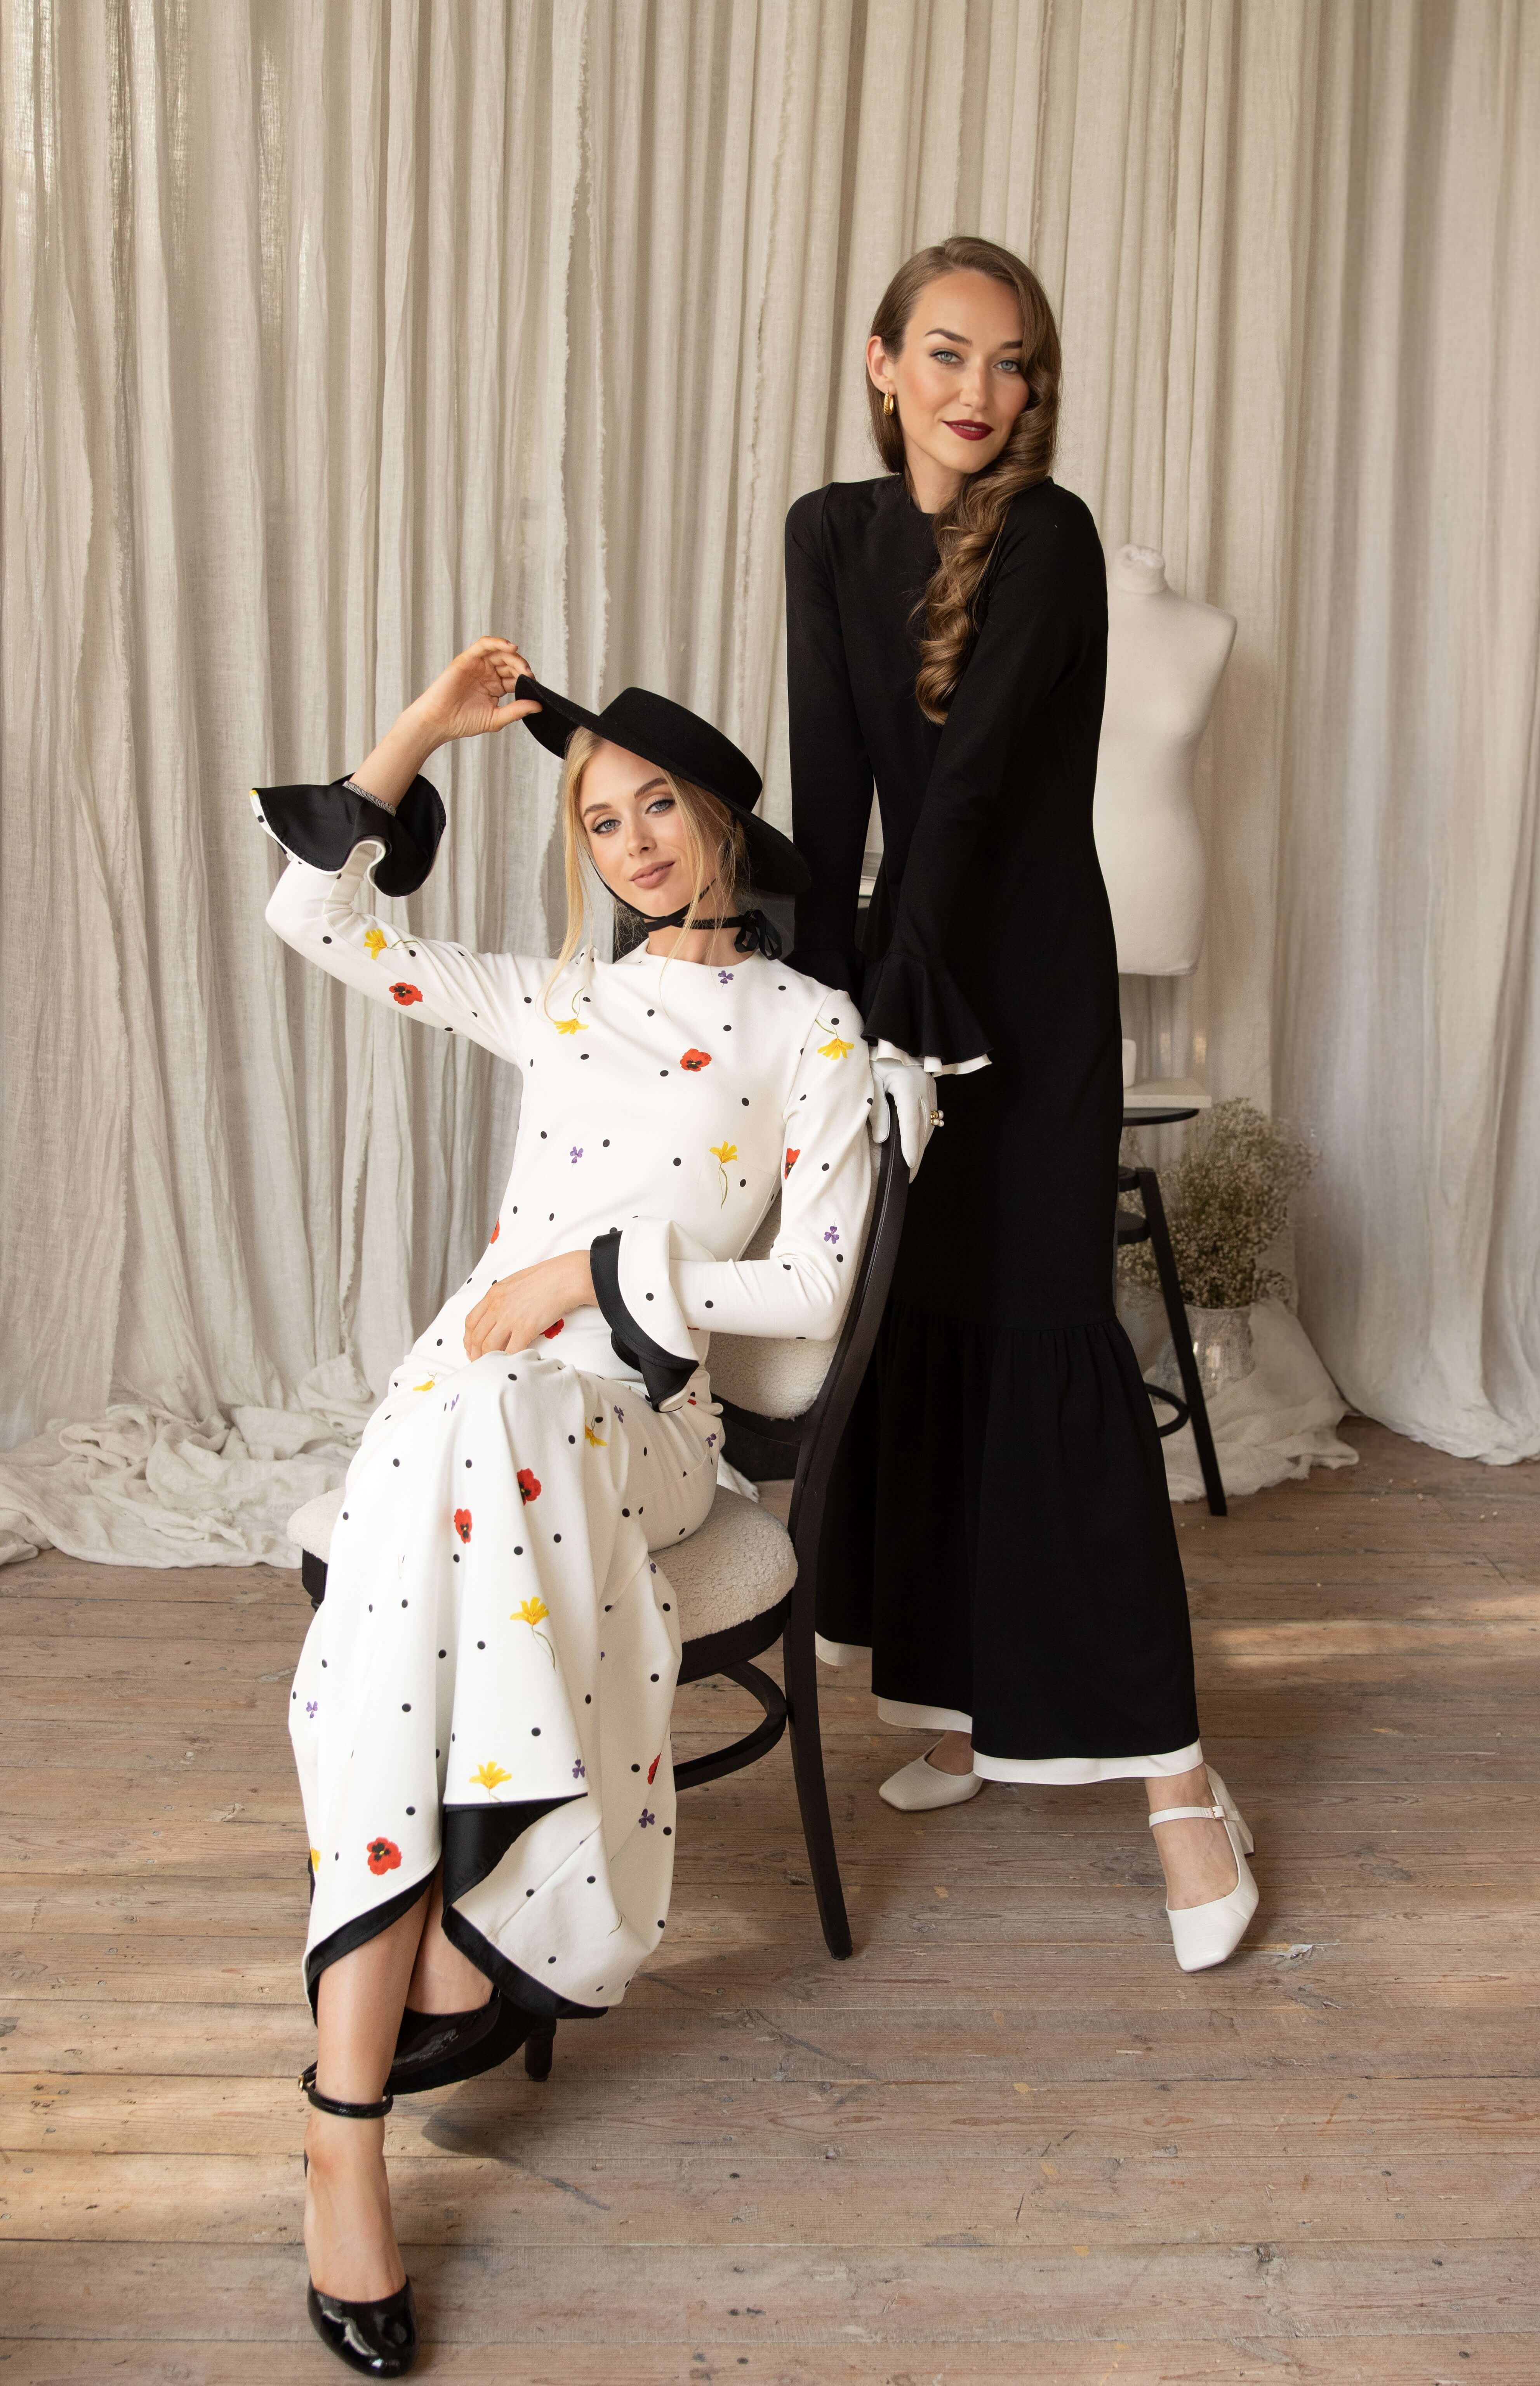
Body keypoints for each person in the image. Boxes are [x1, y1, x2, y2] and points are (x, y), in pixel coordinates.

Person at [254, 637, 873, 2376]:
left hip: (639, 1423)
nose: (631, 844)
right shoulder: (555, 997)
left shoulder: (813, 1031)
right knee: (447, 1469)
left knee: (485, 1446)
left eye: (655, 803)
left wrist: (604, 1269)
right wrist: (423, 732)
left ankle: (343, 2113)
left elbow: (810, 1294)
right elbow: (313, 921)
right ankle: (382, 2069)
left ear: (720, 810)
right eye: (599, 822)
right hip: (458, 1412)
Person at [784, 236, 1258, 1972]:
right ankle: (961, 1703)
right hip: (901, 982)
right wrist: (813, 1008)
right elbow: (834, 785)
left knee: (1050, 1334)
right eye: (948, 354)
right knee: (920, 1332)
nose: (979, 390)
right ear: (882, 361)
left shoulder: (1048, 539)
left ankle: (1182, 1793)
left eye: (1011, 364)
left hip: (1030, 985)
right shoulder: (825, 536)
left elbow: (973, 779)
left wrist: (906, 987)